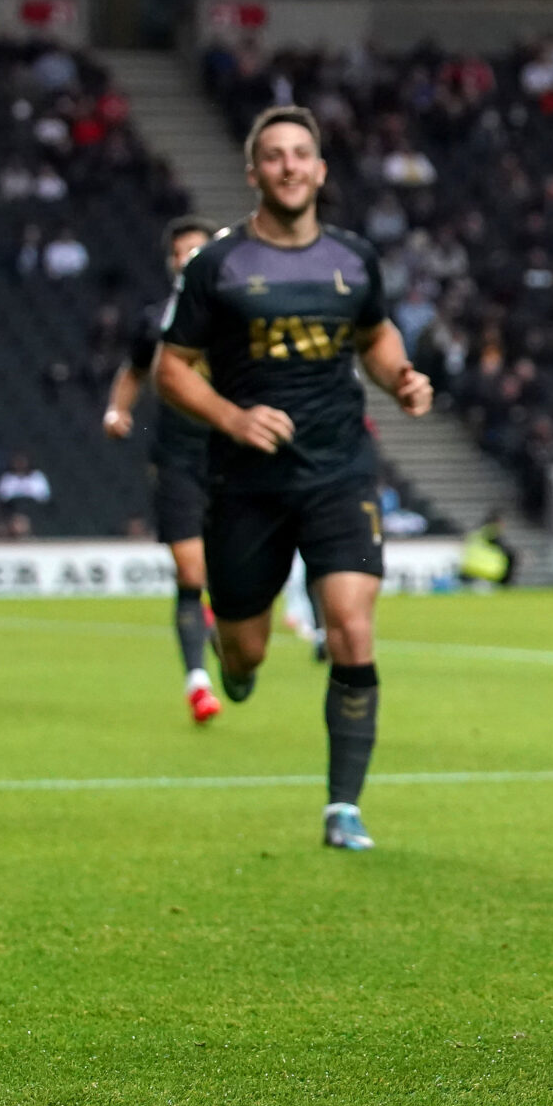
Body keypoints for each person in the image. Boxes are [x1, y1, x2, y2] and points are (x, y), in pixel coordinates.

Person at [156, 106, 433, 851]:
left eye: (300, 154)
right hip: (245, 482)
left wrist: (400, 377)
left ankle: (343, 807)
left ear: (319, 170)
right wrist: (233, 417)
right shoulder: (216, 266)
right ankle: (235, 669)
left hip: (339, 469)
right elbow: (170, 369)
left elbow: (375, 334)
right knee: (245, 649)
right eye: (274, 155)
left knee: (351, 625)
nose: (288, 166)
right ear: (255, 173)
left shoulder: (352, 258)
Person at [104, 215, 226, 725]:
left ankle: (226, 625)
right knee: (191, 571)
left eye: (197, 250)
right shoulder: (156, 321)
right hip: (176, 458)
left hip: (232, 459)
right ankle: (198, 681)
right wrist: (117, 410)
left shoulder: (239, 316)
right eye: (180, 253)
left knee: (231, 571)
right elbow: (133, 371)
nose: (187, 259)